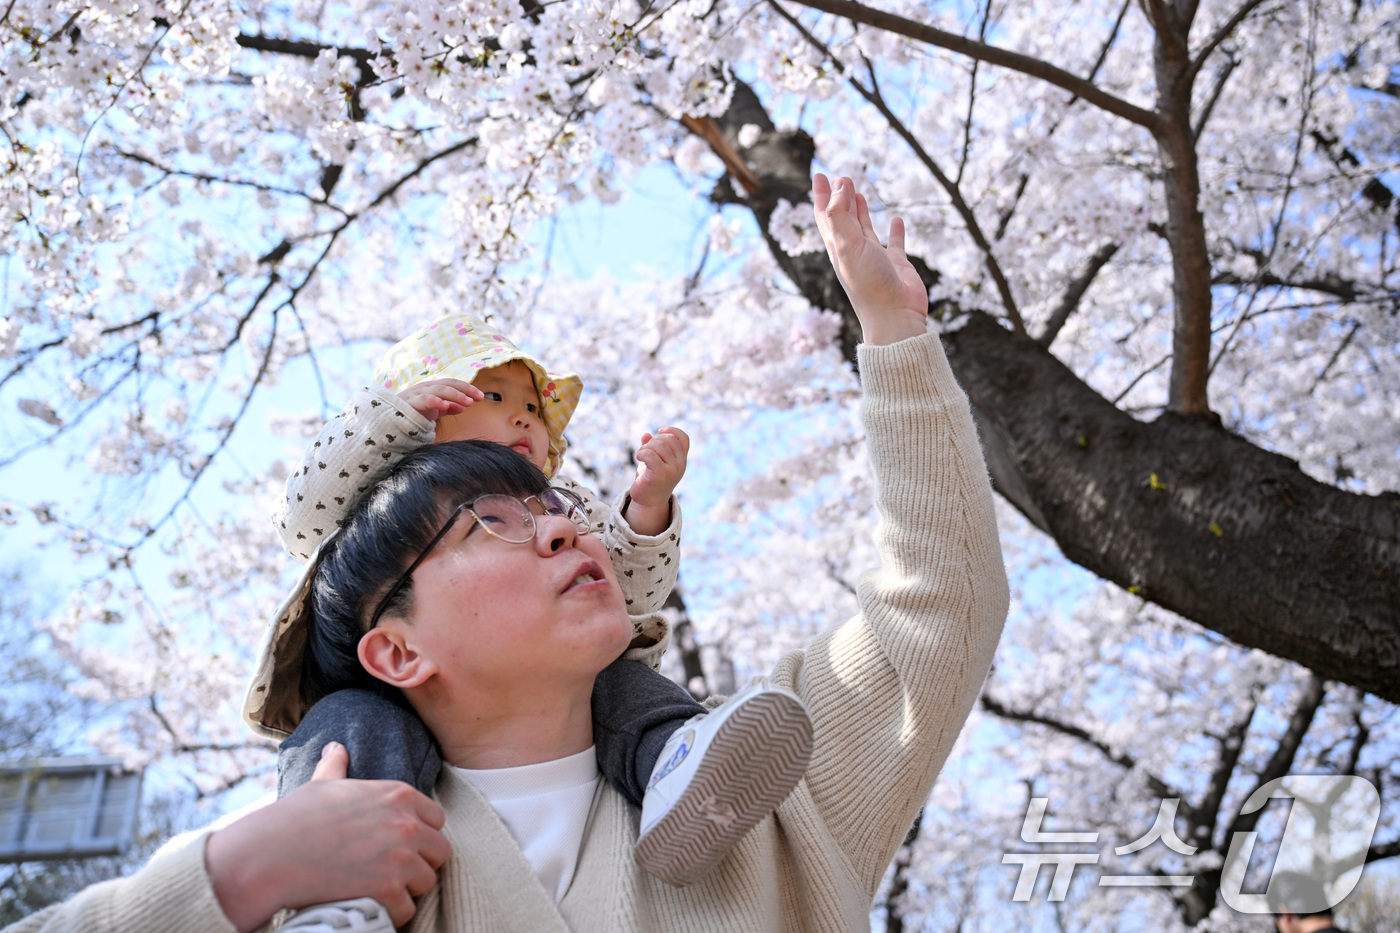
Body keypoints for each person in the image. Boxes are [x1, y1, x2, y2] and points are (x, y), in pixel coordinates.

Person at [4, 174, 1009, 933]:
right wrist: (233, 879)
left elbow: (939, 611)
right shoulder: (301, 867)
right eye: (487, 522)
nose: (566, 528)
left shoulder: (772, 807)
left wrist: (892, 331)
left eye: (551, 509)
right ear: (393, 648)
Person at [252, 312, 816, 902]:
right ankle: (338, 882)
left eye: (532, 405)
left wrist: (647, 507)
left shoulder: (565, 506)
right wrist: (393, 418)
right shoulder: (383, 497)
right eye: (492, 393)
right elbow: (302, 521)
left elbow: (630, 591)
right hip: (386, 695)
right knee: (345, 731)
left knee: (626, 686)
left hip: (562, 690)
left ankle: (678, 768)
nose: (523, 415)